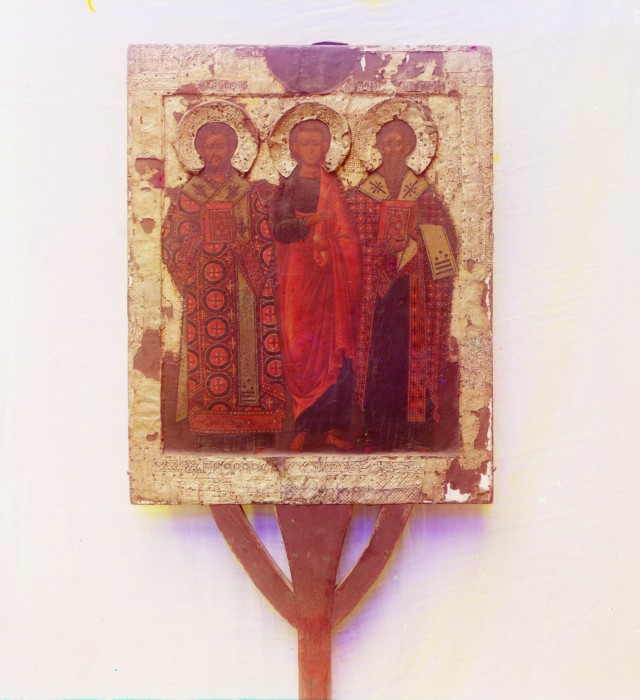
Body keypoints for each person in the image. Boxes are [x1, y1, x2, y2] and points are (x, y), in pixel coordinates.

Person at [162, 121, 285, 437]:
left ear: (233, 149)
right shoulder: (190, 195)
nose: (215, 153)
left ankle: (252, 427)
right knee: (210, 353)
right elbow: (171, 242)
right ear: (200, 151)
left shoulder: (247, 192)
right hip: (205, 287)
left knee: (248, 353)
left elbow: (265, 238)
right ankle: (208, 427)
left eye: (221, 146)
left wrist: (244, 246)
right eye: (209, 146)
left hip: (244, 284)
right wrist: (199, 239)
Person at [348, 119, 458, 451]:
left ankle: (415, 434)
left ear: (410, 148)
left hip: (413, 297)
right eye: (388, 143)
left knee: (412, 362)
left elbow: (443, 246)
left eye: (399, 144)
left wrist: (415, 245)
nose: (393, 150)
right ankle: (375, 434)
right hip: (375, 300)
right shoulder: (360, 196)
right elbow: (349, 245)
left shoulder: (426, 197)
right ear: (378, 147)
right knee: (377, 364)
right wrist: (380, 250)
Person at [271, 119, 361, 451]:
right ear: (294, 148)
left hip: (330, 278)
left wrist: (332, 247)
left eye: (317, 143)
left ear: (326, 147)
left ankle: (334, 428)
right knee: (299, 346)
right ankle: (303, 427)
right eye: (305, 144)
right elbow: (280, 230)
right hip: (297, 274)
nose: (311, 149)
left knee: (335, 348)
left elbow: (346, 234)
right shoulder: (287, 188)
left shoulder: (333, 187)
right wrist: (308, 226)